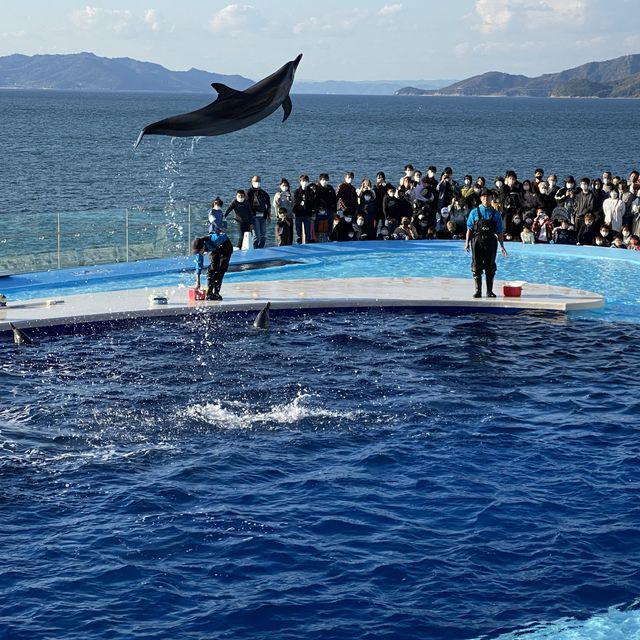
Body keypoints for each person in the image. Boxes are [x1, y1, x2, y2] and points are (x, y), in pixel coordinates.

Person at [465, 189, 508, 298]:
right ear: (480, 199)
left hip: (491, 241)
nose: (486, 199)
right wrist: (466, 243)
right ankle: (478, 291)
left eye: (488, 197)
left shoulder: (496, 214)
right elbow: (469, 229)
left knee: (490, 266)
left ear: (491, 198)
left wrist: (502, 246)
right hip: (477, 241)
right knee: (476, 266)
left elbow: (499, 231)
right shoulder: (474, 212)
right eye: (483, 197)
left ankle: (489, 291)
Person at [192, 231, 234, 301]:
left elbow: (224, 235)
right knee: (211, 270)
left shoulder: (216, 239)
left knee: (220, 270)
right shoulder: (199, 251)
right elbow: (198, 267)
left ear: (202, 248)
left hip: (226, 247)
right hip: (214, 249)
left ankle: (216, 293)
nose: (198, 254)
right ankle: (209, 293)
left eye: (198, 252)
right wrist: (198, 283)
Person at [247, 175, 271, 249]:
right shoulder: (249, 193)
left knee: (263, 236)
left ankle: (261, 249)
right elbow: (247, 206)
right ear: (252, 182)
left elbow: (268, 205)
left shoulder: (263, 193)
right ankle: (255, 250)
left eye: (259, 181)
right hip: (254, 217)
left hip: (263, 216)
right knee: (257, 236)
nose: (257, 182)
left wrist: (269, 216)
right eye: (256, 181)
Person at [292, 174, 316, 243]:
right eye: (303, 181)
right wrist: (295, 211)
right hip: (298, 214)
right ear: (300, 182)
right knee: (298, 231)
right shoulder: (297, 191)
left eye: (306, 181)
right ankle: (298, 243)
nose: (305, 182)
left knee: (307, 231)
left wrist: (312, 212)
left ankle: (307, 243)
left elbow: (312, 202)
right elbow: (294, 202)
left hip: (307, 214)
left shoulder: (310, 192)